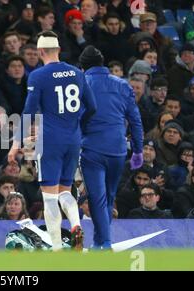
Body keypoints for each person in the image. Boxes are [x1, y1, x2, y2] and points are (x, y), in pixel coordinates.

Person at [8, 31, 97, 251]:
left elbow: (29, 111)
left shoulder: (38, 76)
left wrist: (16, 142)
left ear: (39, 52)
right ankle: (76, 224)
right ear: (58, 50)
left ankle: (57, 247)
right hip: (73, 138)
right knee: (65, 191)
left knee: (49, 197)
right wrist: (77, 126)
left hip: (50, 139)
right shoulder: (77, 72)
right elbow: (92, 107)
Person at [78, 45, 143, 249]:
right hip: (117, 149)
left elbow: (74, 118)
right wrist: (138, 149)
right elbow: (135, 120)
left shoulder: (81, 84)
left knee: (97, 198)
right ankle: (100, 242)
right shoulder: (123, 85)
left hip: (92, 149)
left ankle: (104, 243)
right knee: (109, 196)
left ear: (83, 67)